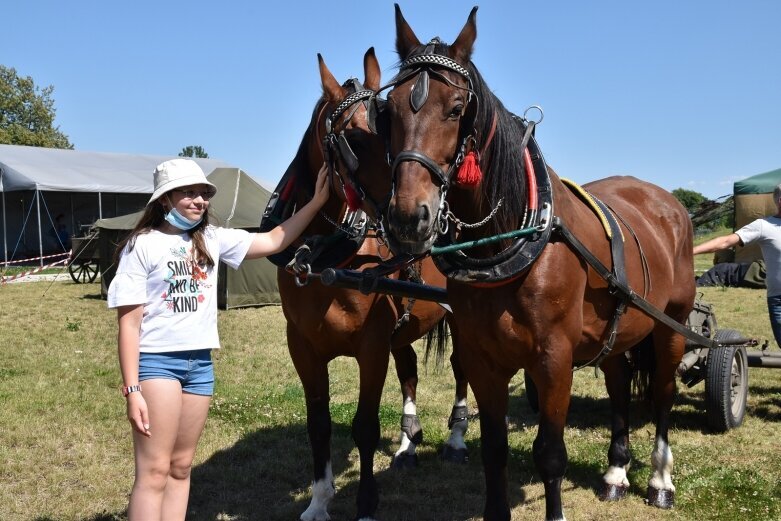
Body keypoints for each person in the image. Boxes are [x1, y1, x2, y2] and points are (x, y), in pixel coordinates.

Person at [107, 158, 329, 521]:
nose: (199, 200)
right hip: (158, 364)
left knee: (181, 467)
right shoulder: (141, 246)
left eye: (203, 194)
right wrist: (132, 391)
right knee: (154, 472)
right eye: (188, 193)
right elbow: (128, 326)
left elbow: (274, 240)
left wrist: (317, 203)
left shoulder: (212, 239)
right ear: (165, 200)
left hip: (200, 366)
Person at [693, 182, 781, 348]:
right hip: (778, 301)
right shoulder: (764, 226)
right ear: (780, 201)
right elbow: (725, 241)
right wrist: (689, 251)